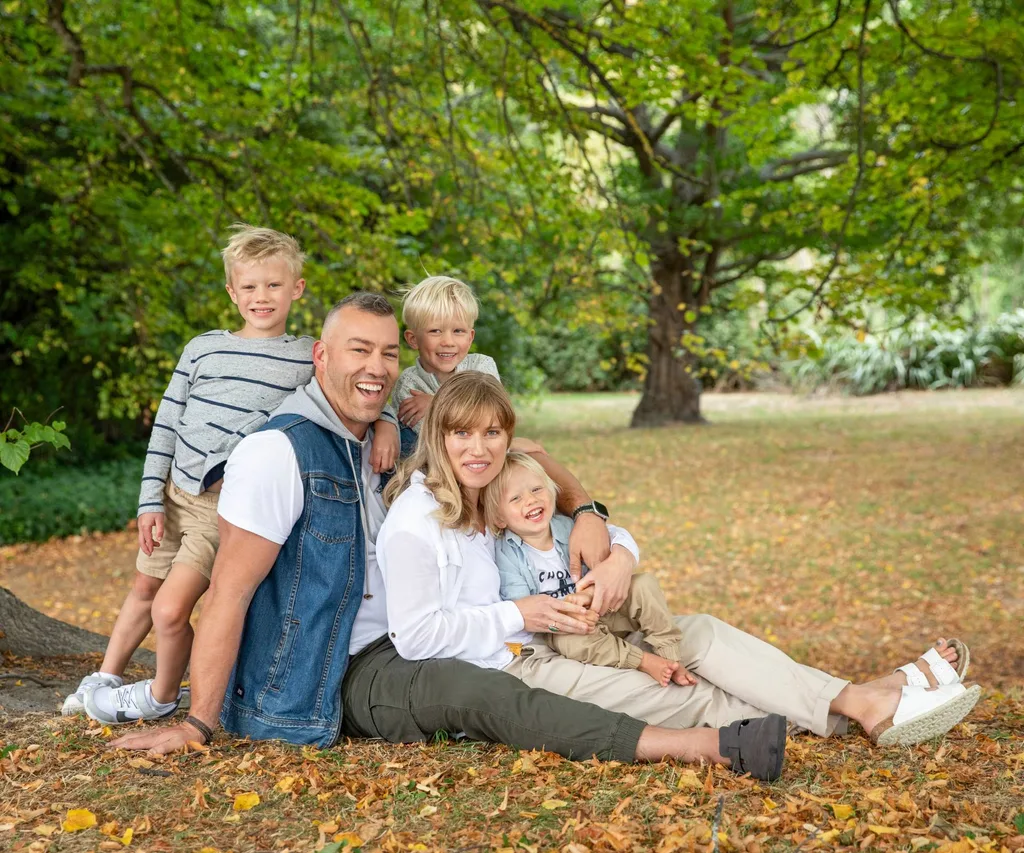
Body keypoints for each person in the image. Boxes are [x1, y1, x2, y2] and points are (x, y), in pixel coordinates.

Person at [109, 294, 790, 782]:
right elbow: (227, 595)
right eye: (357, 350)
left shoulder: (399, 436)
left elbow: (530, 468)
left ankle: (785, 704)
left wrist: (596, 518)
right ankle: (703, 745)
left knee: (624, 636)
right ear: (321, 356)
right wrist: (199, 722)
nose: (375, 366)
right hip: (341, 671)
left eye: (386, 352)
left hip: (440, 629)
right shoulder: (276, 453)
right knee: (480, 691)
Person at [375, 371, 981, 749]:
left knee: (702, 635)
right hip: (517, 662)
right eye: (462, 435)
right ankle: (871, 696)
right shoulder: (415, 523)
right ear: (439, 438)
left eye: (491, 434)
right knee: (686, 697)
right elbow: (415, 636)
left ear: (508, 438)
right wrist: (520, 612)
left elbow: (589, 525)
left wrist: (617, 557)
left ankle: (863, 699)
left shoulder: (499, 487)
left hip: (576, 627)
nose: (478, 449)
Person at [63, 225, 324, 723]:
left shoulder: (307, 357)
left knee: (169, 608)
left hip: (218, 509)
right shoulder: (202, 348)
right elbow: (166, 425)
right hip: (173, 492)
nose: (261, 297)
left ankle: (163, 696)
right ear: (231, 291)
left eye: (273, 285)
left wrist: (383, 424)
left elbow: (351, 393)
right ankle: (103, 678)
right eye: (249, 287)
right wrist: (149, 501)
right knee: (143, 589)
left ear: (297, 288)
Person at [487, 451, 693, 687]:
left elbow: (608, 550)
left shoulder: (572, 527)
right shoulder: (507, 554)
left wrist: (590, 595)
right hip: (566, 626)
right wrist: (573, 609)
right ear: (499, 518)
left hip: (604, 603)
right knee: (570, 642)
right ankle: (643, 661)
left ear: (552, 491)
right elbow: (525, 604)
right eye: (515, 499)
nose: (531, 500)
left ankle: (671, 657)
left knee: (644, 584)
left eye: (536, 489)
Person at [374, 275, 499, 460]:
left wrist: (437, 404)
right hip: (435, 468)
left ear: (470, 337)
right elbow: (437, 441)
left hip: (486, 458)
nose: (448, 342)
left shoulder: (482, 366)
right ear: (413, 339)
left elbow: (491, 416)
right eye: (435, 331)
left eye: (458, 331)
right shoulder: (409, 383)